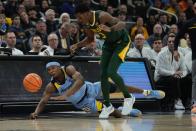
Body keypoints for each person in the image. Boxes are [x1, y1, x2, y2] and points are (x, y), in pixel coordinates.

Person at [30, 62, 165, 119]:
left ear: (59, 68)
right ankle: (125, 111)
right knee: (115, 115)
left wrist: (66, 94)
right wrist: (36, 112)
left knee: (118, 85)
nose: (51, 71)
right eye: (49, 70)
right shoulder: (51, 86)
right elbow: (43, 100)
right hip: (85, 104)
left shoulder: (68, 69)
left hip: (90, 88)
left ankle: (147, 92)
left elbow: (80, 80)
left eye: (53, 68)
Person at [70, 4, 133, 118]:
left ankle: (128, 97)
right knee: (103, 73)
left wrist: (111, 29)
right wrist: (77, 45)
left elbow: (122, 24)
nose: (79, 20)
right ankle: (108, 106)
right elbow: (89, 39)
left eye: (80, 17)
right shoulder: (86, 24)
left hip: (121, 42)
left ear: (87, 13)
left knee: (111, 72)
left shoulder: (102, 16)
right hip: (108, 44)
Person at [174, 2, 196, 114]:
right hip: (195, 56)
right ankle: (194, 103)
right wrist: (175, 50)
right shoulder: (189, 23)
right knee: (195, 80)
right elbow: (177, 36)